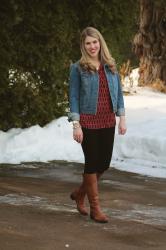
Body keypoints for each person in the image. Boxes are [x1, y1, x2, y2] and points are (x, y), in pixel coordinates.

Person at [68, 27, 127, 223]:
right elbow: (74, 96)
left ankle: (79, 193)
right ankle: (95, 208)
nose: (92, 46)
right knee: (92, 163)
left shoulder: (110, 65)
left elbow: (118, 93)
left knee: (104, 163)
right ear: (83, 46)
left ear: (100, 42)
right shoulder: (78, 68)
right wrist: (76, 124)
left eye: (95, 42)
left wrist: (122, 117)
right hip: (88, 121)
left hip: (107, 120)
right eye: (88, 43)